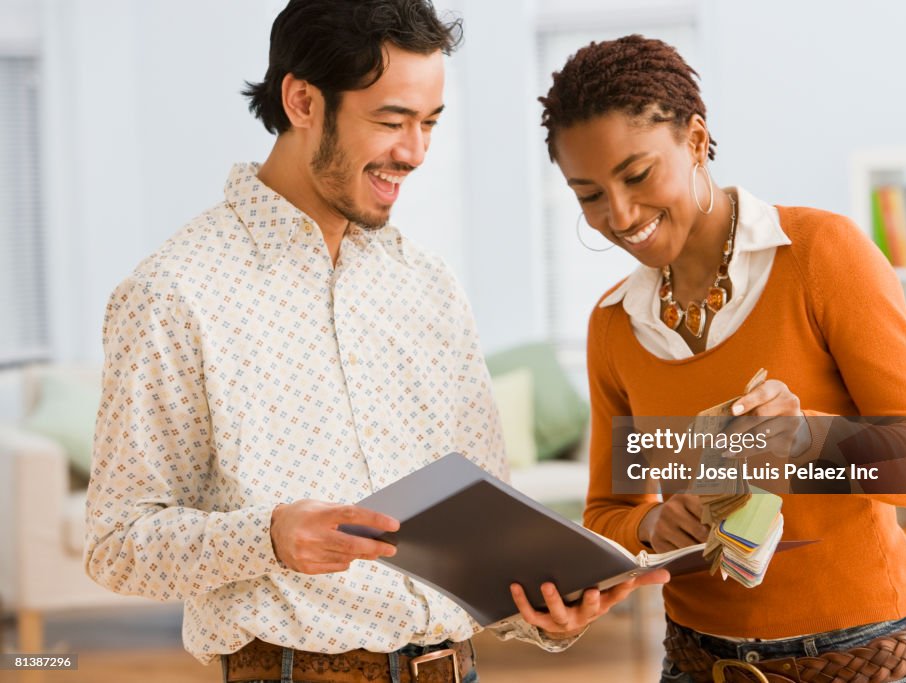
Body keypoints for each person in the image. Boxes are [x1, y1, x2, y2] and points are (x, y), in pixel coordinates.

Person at [83, 4, 667, 682]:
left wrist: (542, 609)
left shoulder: (428, 285)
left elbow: (486, 532)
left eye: (429, 123)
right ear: (302, 100)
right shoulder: (174, 292)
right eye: (392, 121)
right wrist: (268, 537)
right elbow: (116, 542)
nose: (415, 152)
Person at [538, 35, 906, 683]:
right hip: (696, 662)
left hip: (869, 660)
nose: (619, 215)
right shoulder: (614, 324)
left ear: (696, 139)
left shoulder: (821, 254)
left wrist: (805, 438)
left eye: (636, 174)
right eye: (589, 195)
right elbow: (607, 512)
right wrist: (657, 521)